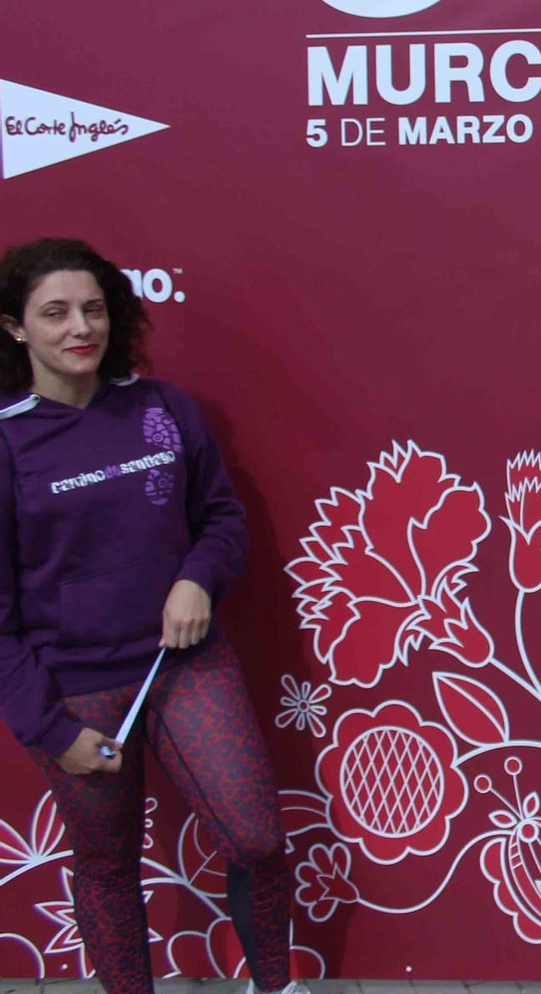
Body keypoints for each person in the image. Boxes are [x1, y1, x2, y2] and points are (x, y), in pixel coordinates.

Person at [0, 238, 302, 994]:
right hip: (77, 692)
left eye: (94, 308)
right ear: (15, 328)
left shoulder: (163, 409)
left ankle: (279, 987)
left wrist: (198, 577)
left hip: (184, 663)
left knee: (257, 837)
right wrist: (49, 727)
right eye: (56, 312)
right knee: (105, 863)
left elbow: (223, 520)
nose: (80, 327)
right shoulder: (6, 442)